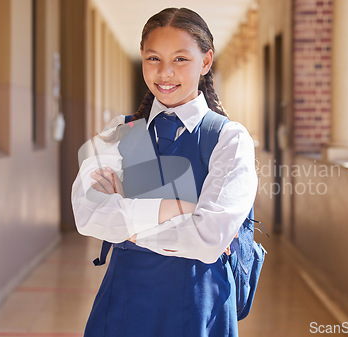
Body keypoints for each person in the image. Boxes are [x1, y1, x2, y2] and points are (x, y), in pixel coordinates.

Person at [71, 7, 258, 337]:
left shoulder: (228, 139)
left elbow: (208, 239)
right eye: (154, 58)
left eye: (181, 59)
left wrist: (127, 222)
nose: (165, 72)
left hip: (200, 305)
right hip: (123, 302)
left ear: (206, 61)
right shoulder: (122, 132)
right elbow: (87, 214)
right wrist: (178, 209)